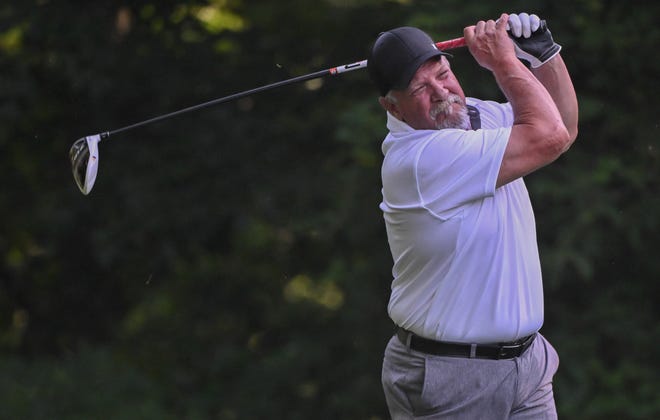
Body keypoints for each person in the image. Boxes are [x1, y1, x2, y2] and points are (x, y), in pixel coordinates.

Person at [367, 12, 578, 419]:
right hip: (451, 378)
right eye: (421, 88)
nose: (442, 92)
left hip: (528, 365)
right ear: (392, 106)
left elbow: (562, 128)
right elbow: (546, 137)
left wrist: (544, 56)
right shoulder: (419, 160)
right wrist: (504, 62)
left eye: (443, 74)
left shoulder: (474, 118)